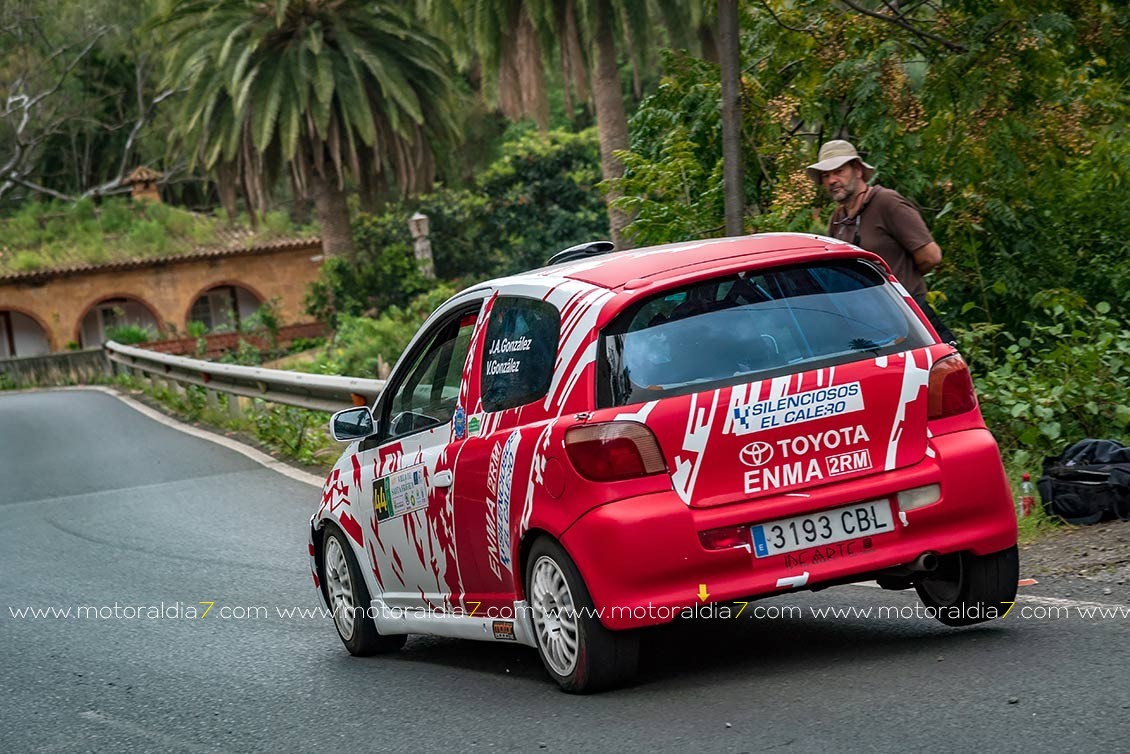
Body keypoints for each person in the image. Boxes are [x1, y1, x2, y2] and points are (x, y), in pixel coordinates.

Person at [807, 139, 955, 343]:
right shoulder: (838, 219)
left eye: (838, 171)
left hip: (909, 319)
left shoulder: (887, 202)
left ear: (857, 170)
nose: (832, 180)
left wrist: (898, 284)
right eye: (826, 175)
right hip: (868, 327)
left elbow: (931, 256)